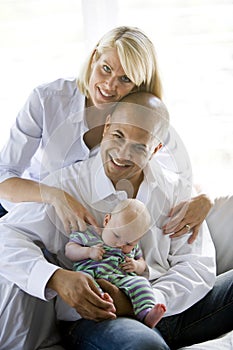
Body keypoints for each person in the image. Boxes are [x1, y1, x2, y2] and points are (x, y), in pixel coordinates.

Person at [0, 92, 232, 350]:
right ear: (106, 127)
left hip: (171, 307)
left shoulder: (176, 189)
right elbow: (5, 237)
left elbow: (197, 265)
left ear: (155, 149)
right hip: (102, 317)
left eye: (139, 147)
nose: (122, 154)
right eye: (118, 136)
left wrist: (148, 300)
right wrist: (54, 277)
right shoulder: (69, 185)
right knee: (145, 346)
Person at [0, 25, 211, 242]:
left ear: (139, 85)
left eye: (125, 79)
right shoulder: (48, 99)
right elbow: (3, 176)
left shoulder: (143, 120)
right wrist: (55, 196)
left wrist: (203, 199)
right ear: (94, 59)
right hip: (26, 215)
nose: (109, 85)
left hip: (93, 233)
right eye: (106, 69)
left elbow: (174, 175)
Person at [65, 198, 166, 329]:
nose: (120, 245)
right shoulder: (89, 236)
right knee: (86, 284)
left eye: (129, 243)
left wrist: (136, 265)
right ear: (107, 221)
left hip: (121, 279)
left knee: (142, 283)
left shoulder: (134, 248)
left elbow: (142, 263)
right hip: (92, 274)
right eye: (117, 236)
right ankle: (103, 302)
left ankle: (146, 313)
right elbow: (69, 250)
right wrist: (88, 252)